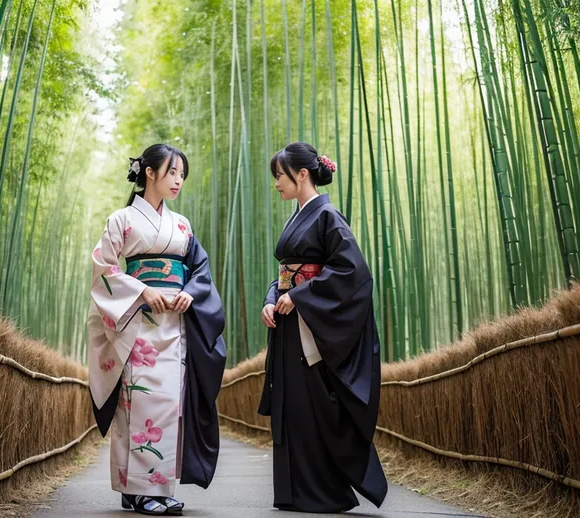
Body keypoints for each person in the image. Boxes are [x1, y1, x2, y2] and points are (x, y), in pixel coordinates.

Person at [88, 144, 226, 516]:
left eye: (182, 174)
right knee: (139, 402)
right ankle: (139, 490)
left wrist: (188, 293)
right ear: (150, 173)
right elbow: (104, 268)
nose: (179, 180)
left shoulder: (182, 225)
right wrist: (142, 289)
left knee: (169, 404)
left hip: (173, 326)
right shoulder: (121, 219)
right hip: (137, 324)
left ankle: (155, 488)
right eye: (173, 172)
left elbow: (200, 272)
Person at [258, 142, 388, 513]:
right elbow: (285, 273)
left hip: (308, 327)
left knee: (312, 404)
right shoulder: (298, 215)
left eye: (279, 177)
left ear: (302, 175)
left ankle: (324, 492)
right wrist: (272, 298)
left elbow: (353, 272)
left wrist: (300, 296)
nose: (276, 184)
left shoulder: (328, 215)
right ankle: (296, 492)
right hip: (288, 324)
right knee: (291, 403)